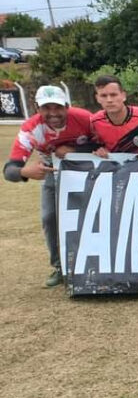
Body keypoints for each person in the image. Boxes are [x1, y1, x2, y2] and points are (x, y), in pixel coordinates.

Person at [3, 86, 94, 286]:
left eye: (57, 107)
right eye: (46, 107)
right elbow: (9, 171)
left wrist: (75, 149)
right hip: (54, 172)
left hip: (89, 170)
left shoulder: (85, 118)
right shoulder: (31, 129)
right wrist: (24, 172)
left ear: (67, 106)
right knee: (50, 217)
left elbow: (105, 143)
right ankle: (59, 266)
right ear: (37, 108)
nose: (53, 113)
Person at [90, 75, 138, 158]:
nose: (109, 100)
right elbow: (95, 147)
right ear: (97, 98)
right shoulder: (94, 122)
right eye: (103, 96)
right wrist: (100, 151)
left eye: (113, 95)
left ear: (123, 96)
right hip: (116, 167)